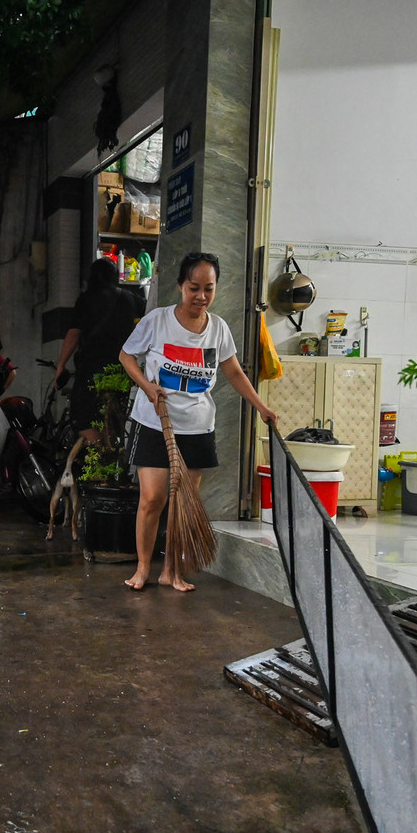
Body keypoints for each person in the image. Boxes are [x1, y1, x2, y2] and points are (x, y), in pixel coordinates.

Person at [119, 252, 279, 593]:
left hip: (197, 427)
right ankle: (143, 567)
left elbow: (234, 371)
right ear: (180, 286)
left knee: (183, 501)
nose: (201, 296)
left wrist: (261, 406)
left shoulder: (218, 328)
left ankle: (172, 571)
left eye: (209, 288)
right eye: (194, 288)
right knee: (152, 499)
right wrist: (146, 386)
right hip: (154, 422)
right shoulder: (158, 321)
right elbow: (126, 356)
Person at [54, 258, 143, 442]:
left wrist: (61, 365)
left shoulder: (87, 299)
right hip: (124, 371)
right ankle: (114, 456)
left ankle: (99, 457)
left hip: (93, 371)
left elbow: (73, 334)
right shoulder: (133, 299)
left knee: (84, 420)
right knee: (118, 420)